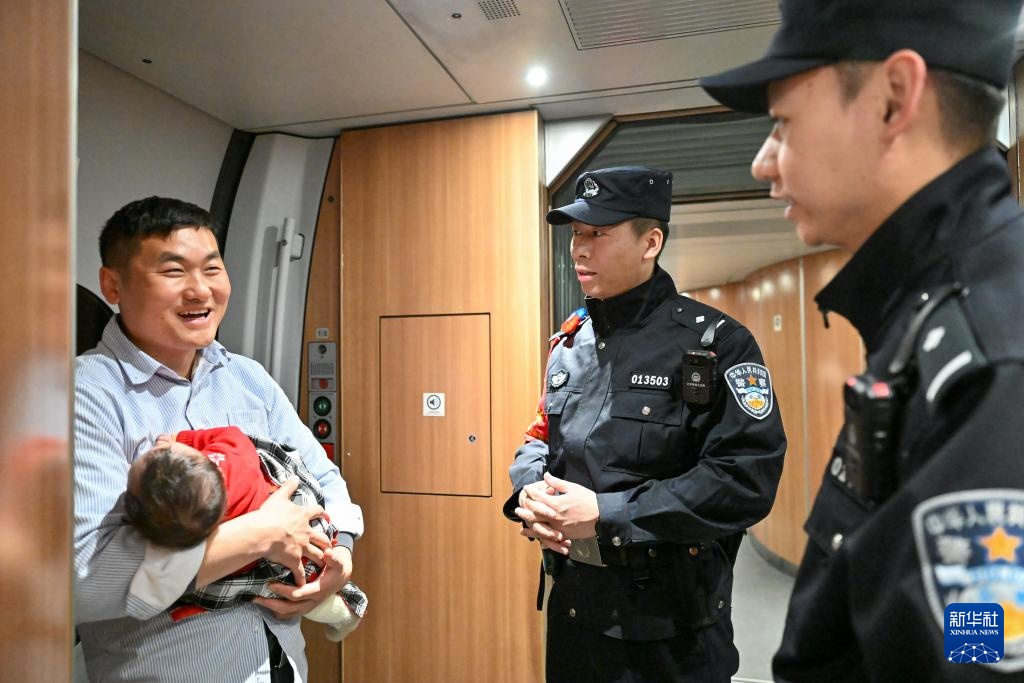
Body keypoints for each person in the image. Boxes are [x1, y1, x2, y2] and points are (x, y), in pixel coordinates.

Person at [699, 0, 1024, 679]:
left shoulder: (995, 361)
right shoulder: (931, 311)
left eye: (784, 123)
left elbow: (979, 653)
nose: (763, 162)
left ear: (893, 98)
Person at [504, 166, 787, 682]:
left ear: (650, 242)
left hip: (670, 631)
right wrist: (529, 491)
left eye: (598, 233)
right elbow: (540, 438)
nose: (579, 249)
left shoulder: (715, 344)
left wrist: (608, 513)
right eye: (577, 234)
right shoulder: (570, 344)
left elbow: (745, 480)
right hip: (575, 616)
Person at [74, 196, 363, 681]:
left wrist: (341, 555)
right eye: (173, 271)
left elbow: (325, 479)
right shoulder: (87, 393)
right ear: (112, 285)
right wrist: (257, 536)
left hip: (282, 664)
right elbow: (84, 578)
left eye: (212, 268)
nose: (200, 290)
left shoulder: (246, 378)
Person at [126, 426, 366, 641]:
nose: (155, 447)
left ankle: (344, 610)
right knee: (298, 585)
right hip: (304, 541)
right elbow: (234, 436)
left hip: (283, 555)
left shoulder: (194, 526)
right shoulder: (230, 457)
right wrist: (181, 439)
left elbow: (326, 476)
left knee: (279, 590)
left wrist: (343, 550)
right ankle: (346, 609)